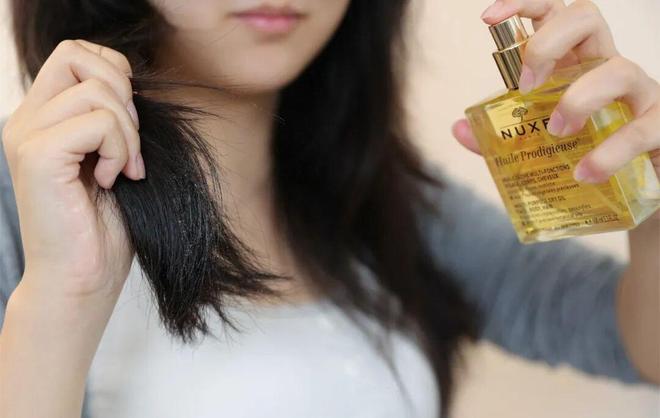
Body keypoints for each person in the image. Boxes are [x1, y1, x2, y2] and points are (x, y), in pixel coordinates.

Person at [0, 0, 658, 417]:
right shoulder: (29, 202)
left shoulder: (382, 197)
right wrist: (62, 301)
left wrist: (649, 188)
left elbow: (638, 345)